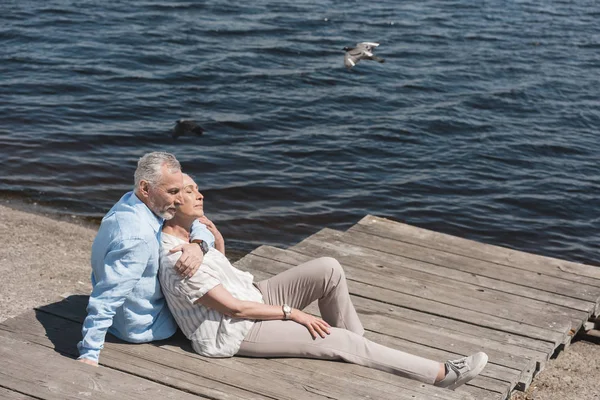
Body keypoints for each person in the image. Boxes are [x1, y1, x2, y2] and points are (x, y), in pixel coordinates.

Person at [158, 174, 489, 390]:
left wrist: (209, 244)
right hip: (234, 330)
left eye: (196, 187)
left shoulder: (193, 235)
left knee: (328, 268)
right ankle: (442, 375)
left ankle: (359, 351)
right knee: (341, 340)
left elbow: (223, 273)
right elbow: (236, 310)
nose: (199, 194)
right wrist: (293, 313)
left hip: (252, 294)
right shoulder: (179, 260)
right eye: (189, 192)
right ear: (173, 204)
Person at [77, 152, 215, 366]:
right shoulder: (138, 237)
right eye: (172, 192)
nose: (179, 199)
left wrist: (198, 246)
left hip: (131, 314)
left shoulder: (132, 202)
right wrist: (90, 352)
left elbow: (199, 222)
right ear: (145, 188)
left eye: (180, 190)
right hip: (148, 326)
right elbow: (107, 297)